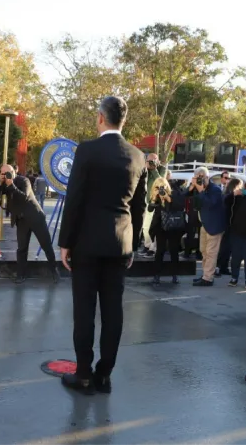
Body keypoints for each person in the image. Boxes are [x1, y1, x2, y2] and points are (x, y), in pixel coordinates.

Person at [58, 96, 147, 395]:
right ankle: (105, 375)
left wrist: (65, 242)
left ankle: (83, 374)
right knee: (113, 311)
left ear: (100, 118)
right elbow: (138, 206)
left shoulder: (87, 151)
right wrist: (132, 244)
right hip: (119, 245)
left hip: (86, 243)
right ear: (124, 120)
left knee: (84, 311)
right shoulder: (138, 156)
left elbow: (75, 199)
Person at [0, 165, 60, 284]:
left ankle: (54, 271)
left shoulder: (23, 181)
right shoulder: (3, 184)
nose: (7, 176)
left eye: (9, 173)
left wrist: (11, 185)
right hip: (21, 220)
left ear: (14, 172)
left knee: (45, 244)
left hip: (35, 217)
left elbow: (24, 197)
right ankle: (21, 275)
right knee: (21, 248)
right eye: (3, 173)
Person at [191, 167, 226, 286]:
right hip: (205, 224)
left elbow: (210, 203)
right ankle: (206, 273)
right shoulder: (200, 188)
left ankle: (208, 278)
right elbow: (195, 203)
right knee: (203, 251)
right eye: (198, 177)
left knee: (211, 252)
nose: (201, 179)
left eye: (203, 177)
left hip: (214, 226)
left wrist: (200, 191)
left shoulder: (215, 189)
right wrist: (194, 187)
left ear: (208, 177)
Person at [148, 177, 186, 285]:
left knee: (174, 250)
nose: (160, 189)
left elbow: (180, 206)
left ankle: (175, 275)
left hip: (172, 225)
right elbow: (150, 209)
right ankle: (157, 275)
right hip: (160, 226)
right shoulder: (155, 195)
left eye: (162, 187)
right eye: (157, 187)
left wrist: (168, 199)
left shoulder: (173, 194)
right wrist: (154, 198)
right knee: (160, 250)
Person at [226, 179, 246, 288]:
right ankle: (234, 278)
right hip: (236, 232)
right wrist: (233, 194)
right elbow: (226, 202)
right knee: (235, 257)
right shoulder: (240, 199)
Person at [140, 154, 167, 253]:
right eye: (150, 161)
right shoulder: (144, 169)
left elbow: (161, 182)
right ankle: (147, 245)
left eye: (154, 160)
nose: (151, 162)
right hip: (145, 201)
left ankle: (153, 248)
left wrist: (154, 169)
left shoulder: (162, 169)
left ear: (158, 160)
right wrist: (146, 169)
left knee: (154, 227)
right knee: (145, 227)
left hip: (156, 203)